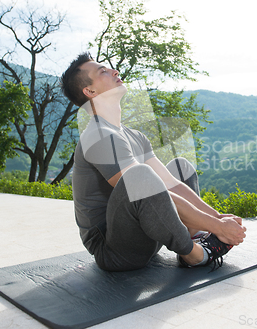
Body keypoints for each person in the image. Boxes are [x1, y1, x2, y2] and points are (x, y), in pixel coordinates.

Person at [60, 52, 246, 272]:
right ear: (90, 91)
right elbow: (142, 187)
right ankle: (196, 254)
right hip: (116, 250)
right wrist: (217, 226)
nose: (114, 71)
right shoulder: (98, 135)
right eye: (103, 71)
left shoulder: (134, 135)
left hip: (148, 232)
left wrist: (219, 218)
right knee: (139, 176)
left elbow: (171, 184)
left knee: (180, 168)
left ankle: (195, 235)